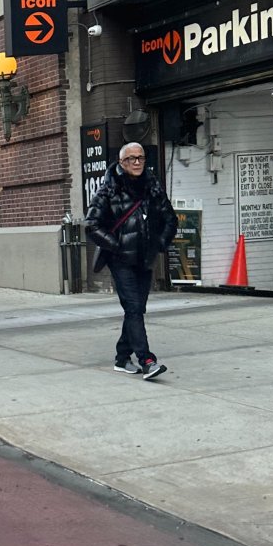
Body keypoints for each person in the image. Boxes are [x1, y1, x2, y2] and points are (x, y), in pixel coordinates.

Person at [85, 142, 177, 380]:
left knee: (137, 308)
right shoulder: (108, 189)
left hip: (145, 258)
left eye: (140, 158)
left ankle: (121, 357)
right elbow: (91, 225)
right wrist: (116, 246)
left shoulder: (152, 186)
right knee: (134, 307)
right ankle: (146, 360)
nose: (137, 162)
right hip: (121, 260)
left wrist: (160, 243)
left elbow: (170, 218)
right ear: (122, 162)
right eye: (131, 159)